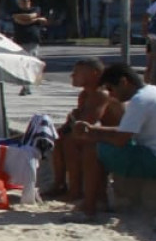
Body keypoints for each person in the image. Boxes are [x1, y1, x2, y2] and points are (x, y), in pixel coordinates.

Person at [77, 62, 156, 216]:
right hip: (155, 152)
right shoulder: (153, 91)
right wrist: (94, 130)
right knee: (99, 144)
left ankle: (89, 207)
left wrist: (93, 134)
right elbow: (125, 130)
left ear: (124, 82)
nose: (111, 95)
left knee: (93, 149)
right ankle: (100, 200)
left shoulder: (139, 101)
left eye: (111, 89)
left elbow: (120, 140)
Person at [49, 57, 122, 209]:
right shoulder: (85, 95)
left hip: (116, 137)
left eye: (77, 72)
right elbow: (78, 121)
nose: (72, 75)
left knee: (71, 141)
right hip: (100, 134)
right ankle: (59, 184)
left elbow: (87, 122)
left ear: (94, 73)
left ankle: (75, 190)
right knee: (58, 138)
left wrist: (74, 118)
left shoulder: (102, 94)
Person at [10, 0, 48, 96]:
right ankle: (26, 86)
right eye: (24, 1)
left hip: (32, 41)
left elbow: (31, 16)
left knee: (30, 63)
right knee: (22, 64)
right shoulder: (15, 11)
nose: (27, 3)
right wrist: (36, 19)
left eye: (28, 1)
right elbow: (22, 20)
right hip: (20, 41)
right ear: (19, 3)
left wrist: (32, 18)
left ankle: (26, 86)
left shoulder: (36, 9)